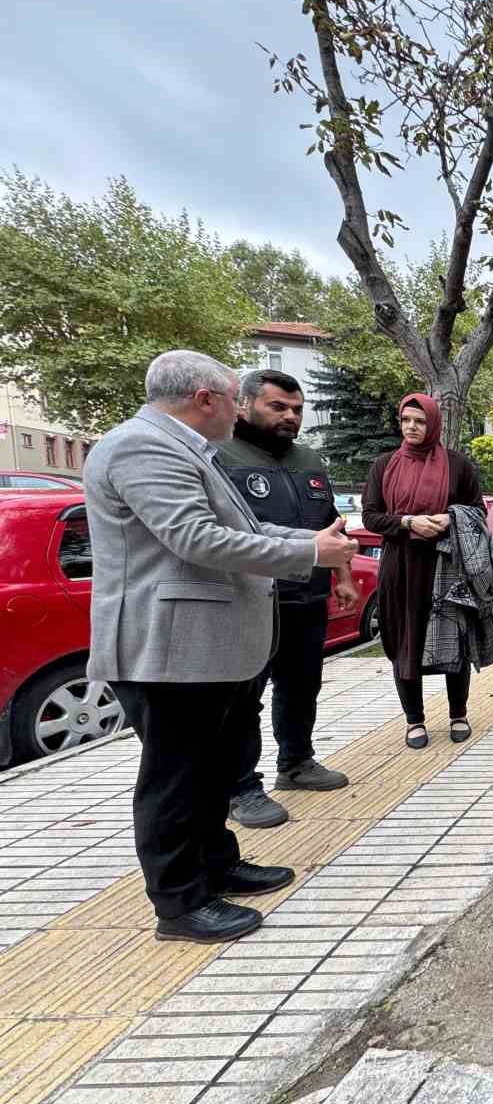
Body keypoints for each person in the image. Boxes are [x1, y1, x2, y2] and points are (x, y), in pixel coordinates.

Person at [83, 351, 358, 943]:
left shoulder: (188, 449)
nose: (238, 410)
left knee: (211, 769)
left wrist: (312, 540)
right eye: (236, 397)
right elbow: (196, 538)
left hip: (207, 649)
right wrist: (309, 554)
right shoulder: (141, 447)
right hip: (169, 649)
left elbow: (245, 532)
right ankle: (180, 905)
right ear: (205, 398)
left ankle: (216, 864)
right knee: (174, 778)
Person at [217, 369, 357, 829]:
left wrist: (342, 576)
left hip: (306, 597)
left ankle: (296, 763)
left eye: (297, 409)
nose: (290, 417)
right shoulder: (220, 456)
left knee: (301, 687)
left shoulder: (308, 459)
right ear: (245, 405)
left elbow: (331, 525)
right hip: (251, 599)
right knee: (244, 698)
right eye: (278, 407)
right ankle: (241, 787)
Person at [362, 394, 485, 748]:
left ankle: (458, 713)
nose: (412, 427)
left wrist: (450, 518)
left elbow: (476, 510)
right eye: (406, 420)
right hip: (400, 567)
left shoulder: (457, 464)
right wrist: (407, 521)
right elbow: (371, 516)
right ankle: (414, 721)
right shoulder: (383, 465)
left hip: (447, 566)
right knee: (405, 640)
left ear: (433, 424)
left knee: (453, 638)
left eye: (420, 421)